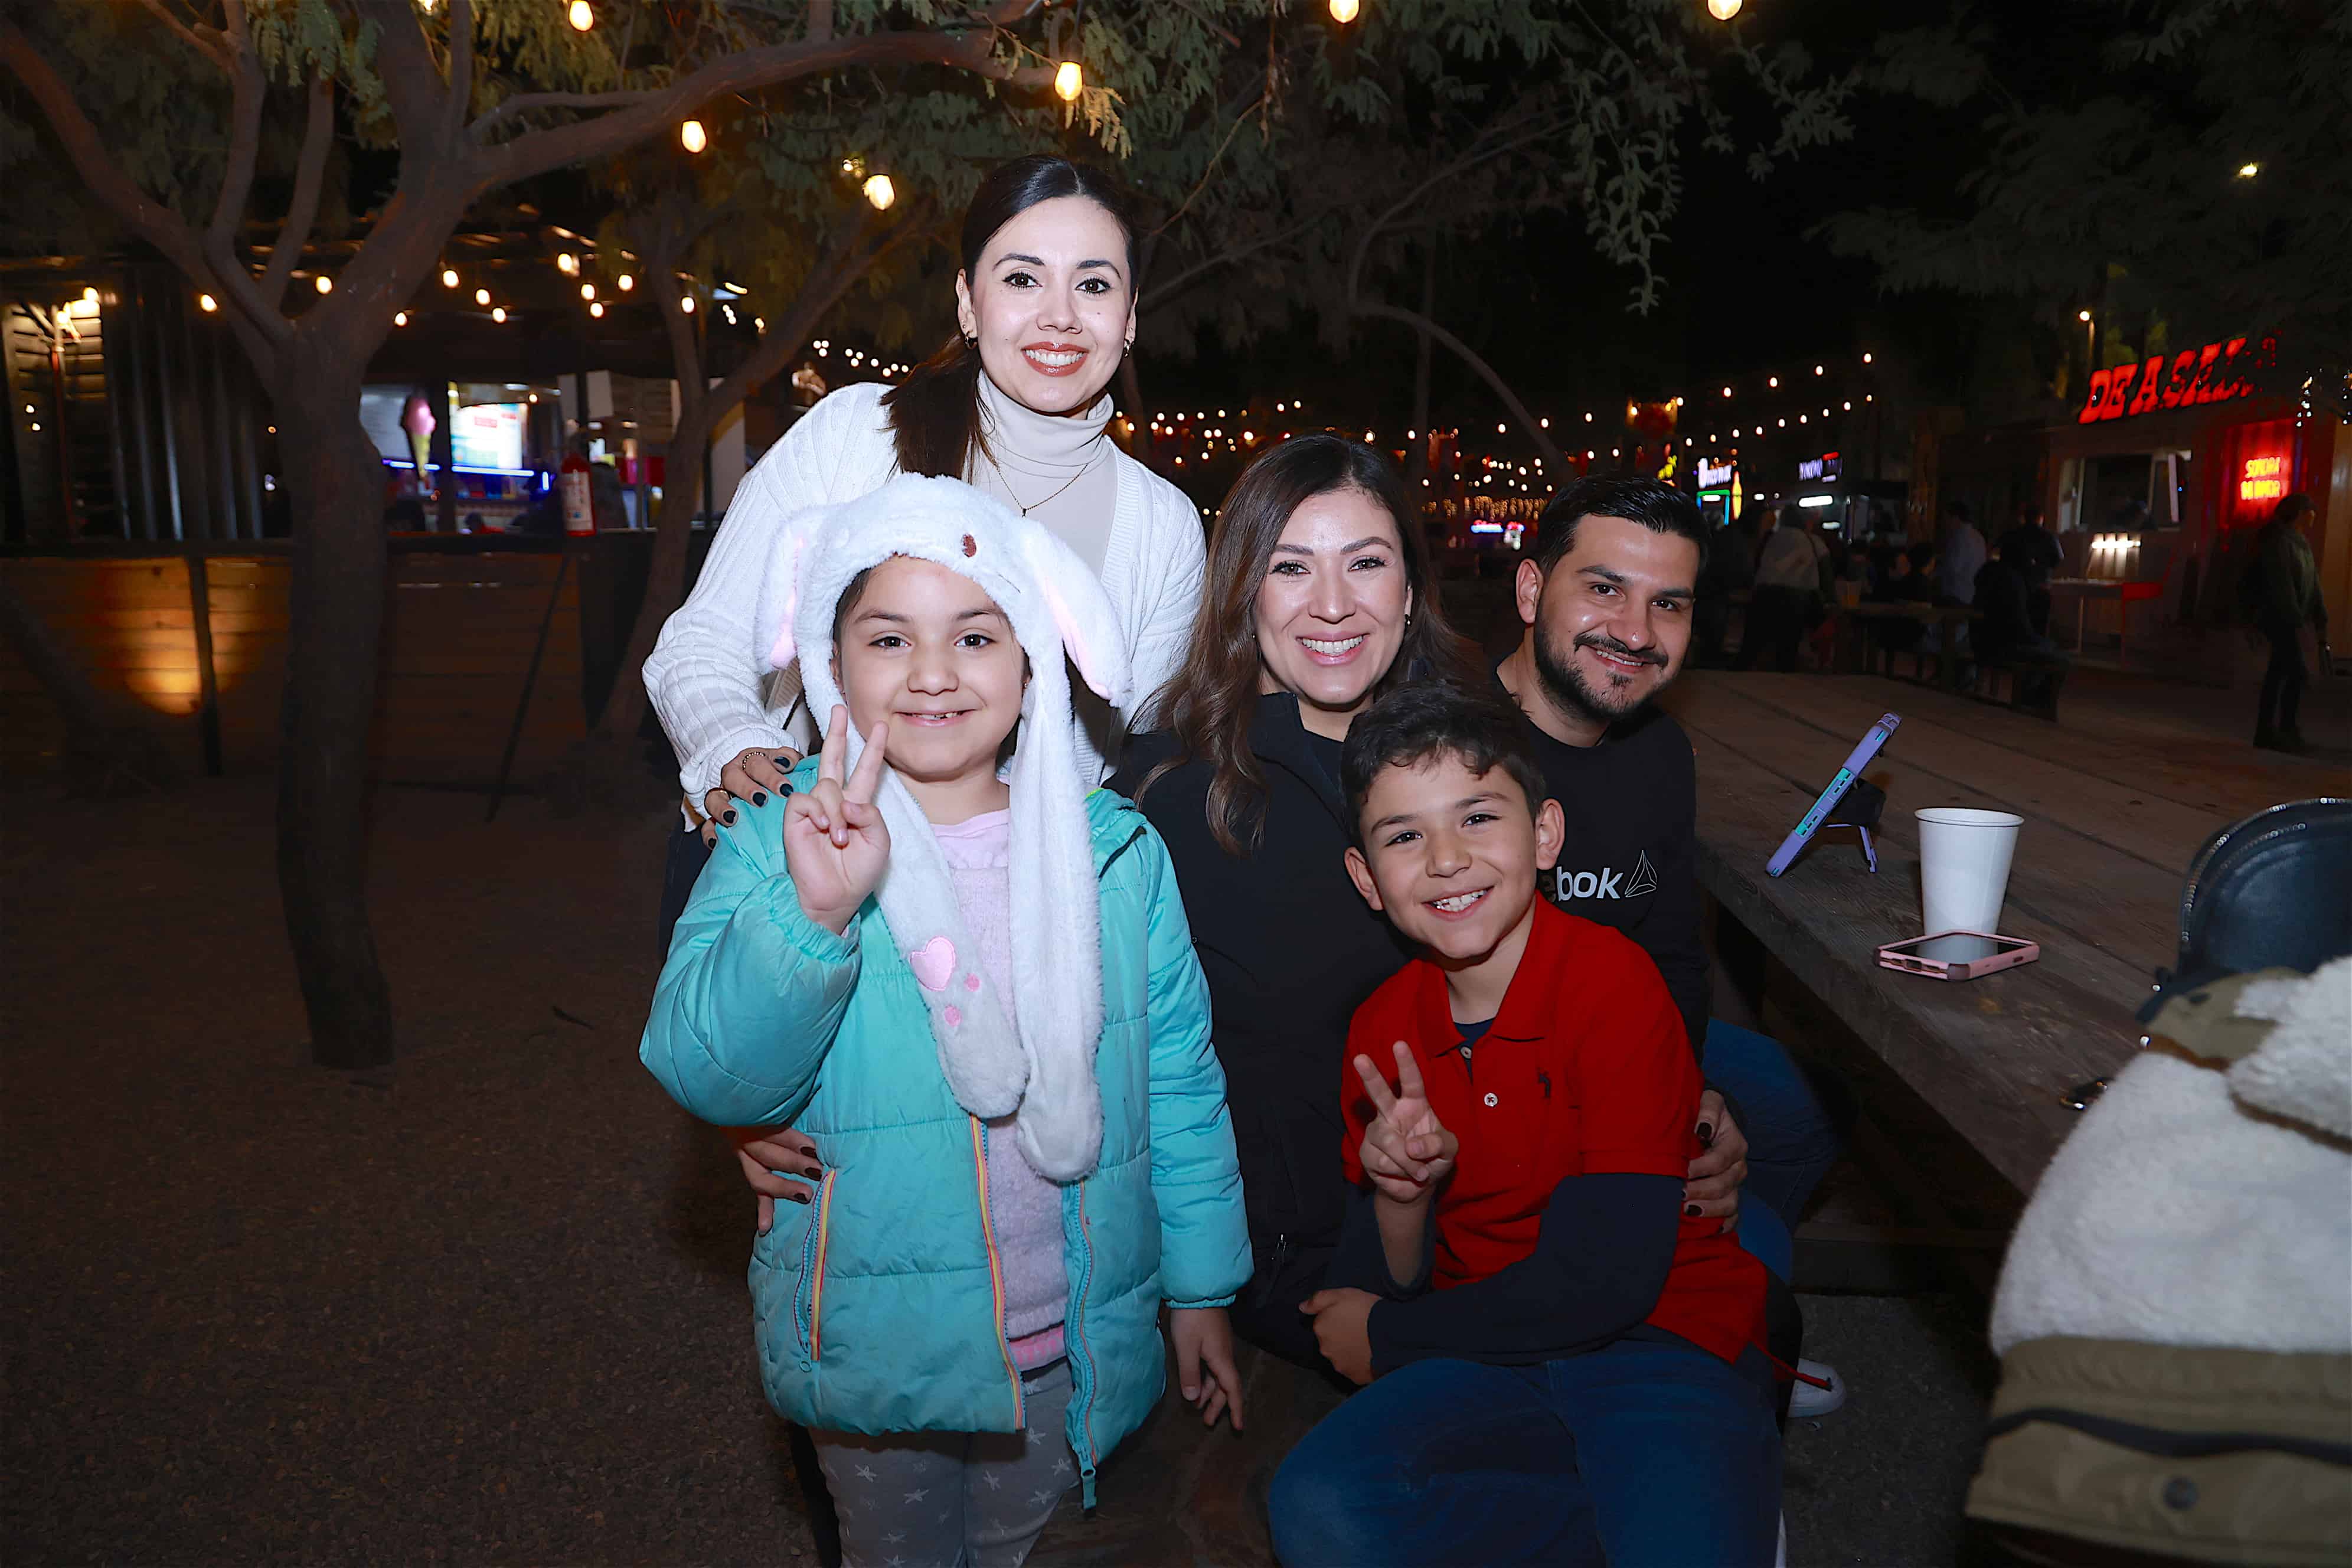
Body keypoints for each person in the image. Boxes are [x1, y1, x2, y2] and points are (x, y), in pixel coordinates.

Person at [640, 476, 1250, 1563]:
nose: (931, 673)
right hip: (880, 1341)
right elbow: (708, 1072)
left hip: (1071, 1338)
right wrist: (812, 914)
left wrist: (1202, 1285)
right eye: (888, 638)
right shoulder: (776, 835)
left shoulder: (1113, 855)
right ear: (832, 664)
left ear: (1032, 661)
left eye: (974, 635)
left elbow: (1178, 1081)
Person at [1112, 439, 1757, 1383]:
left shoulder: (1469, 752)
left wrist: (1687, 1102)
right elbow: (1136, 1054)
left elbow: (1607, 980)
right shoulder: (1172, 796)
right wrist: (1195, 1283)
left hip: (1509, 1212)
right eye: (1291, 567)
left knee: (1742, 1219)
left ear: (1411, 588)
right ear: (1243, 589)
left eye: (1366, 563)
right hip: (1314, 1249)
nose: (1333, 604)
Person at [1265, 684, 1779, 1567]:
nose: (1446, 860)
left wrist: (1391, 1339)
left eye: (1477, 818)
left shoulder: (1611, 985)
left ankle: (1688, 1503)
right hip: (1486, 1356)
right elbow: (1364, 1282)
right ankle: (1646, 1510)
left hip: (1658, 1343)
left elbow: (1606, 1282)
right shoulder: (1383, 1030)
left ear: (1545, 834)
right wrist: (1400, 1194)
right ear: (1365, 878)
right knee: (1320, 1506)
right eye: (1403, 836)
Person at [646, 153, 1203, 919]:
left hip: (1009, 927)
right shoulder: (857, 435)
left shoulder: (1164, 528)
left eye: (1094, 284)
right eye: (1022, 278)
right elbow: (698, 643)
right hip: (801, 890)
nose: (1060, 315)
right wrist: (737, 750)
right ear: (969, 304)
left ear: (1131, 314)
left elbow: (1142, 754)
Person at [1493, 475, 1844, 1410]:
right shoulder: (1455, 752)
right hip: (1510, 1068)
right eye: (1603, 589)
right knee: (1743, 1217)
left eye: (1669, 604)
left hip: (1626, 1039)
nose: (1636, 631)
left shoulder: (1658, 753)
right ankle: (1712, 1334)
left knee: (1792, 1110)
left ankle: (1717, 1313)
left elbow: (1671, 955)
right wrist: (1650, 1136)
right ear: (1532, 594)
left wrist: (1689, 1100)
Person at [2240, 492, 2331, 752]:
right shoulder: (2278, 541)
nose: (2314, 515)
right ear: (2300, 513)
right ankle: (2280, 730)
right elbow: (2282, 584)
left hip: (2290, 618)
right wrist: (2293, 618)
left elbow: (2312, 583)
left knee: (2280, 672)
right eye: (2309, 510)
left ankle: (2271, 731)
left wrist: (2319, 614)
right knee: (2294, 672)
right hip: (2277, 618)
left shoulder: (2300, 543)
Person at [1973, 537, 2072, 710]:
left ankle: (2028, 696)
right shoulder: (2013, 581)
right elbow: (2020, 628)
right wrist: (2042, 642)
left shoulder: (1986, 573)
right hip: (2004, 645)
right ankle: (2035, 703)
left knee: (2043, 648)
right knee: (2059, 657)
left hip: (1980, 641)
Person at [1738, 503, 1827, 672]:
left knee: (1752, 644)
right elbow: (1825, 570)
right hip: (1797, 597)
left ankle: (1742, 673)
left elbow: (1757, 564)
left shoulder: (1771, 538)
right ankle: (1783, 677)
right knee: (1788, 646)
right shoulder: (1812, 541)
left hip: (1764, 593)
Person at [1997, 503, 2064, 637]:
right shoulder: (2048, 537)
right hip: (2039, 587)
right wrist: (2043, 568)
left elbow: (1999, 554)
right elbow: (2058, 558)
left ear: (2025, 518)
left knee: (2014, 625)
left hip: (2014, 586)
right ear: (2041, 518)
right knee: (2038, 626)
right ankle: (2036, 651)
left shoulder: (2012, 535)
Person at [1938, 500, 1988, 607]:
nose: (1944, 522)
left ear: (1955, 518)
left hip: (1956, 596)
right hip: (1972, 594)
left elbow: (1953, 568)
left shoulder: (1959, 537)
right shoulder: (1979, 537)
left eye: (1946, 518)